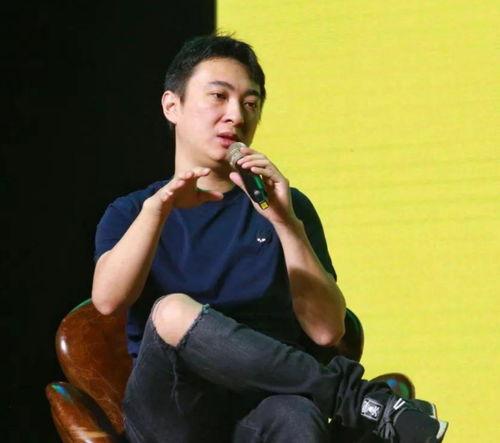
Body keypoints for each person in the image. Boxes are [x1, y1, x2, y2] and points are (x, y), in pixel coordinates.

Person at [92, 35, 448, 443]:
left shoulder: (286, 207)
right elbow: (107, 301)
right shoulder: (133, 211)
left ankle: (355, 403)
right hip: (172, 412)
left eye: (250, 103)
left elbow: (327, 332)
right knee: (171, 311)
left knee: (296, 416)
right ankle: (355, 400)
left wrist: (285, 223)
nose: (235, 116)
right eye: (218, 97)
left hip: (260, 407)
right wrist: (157, 211)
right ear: (172, 106)